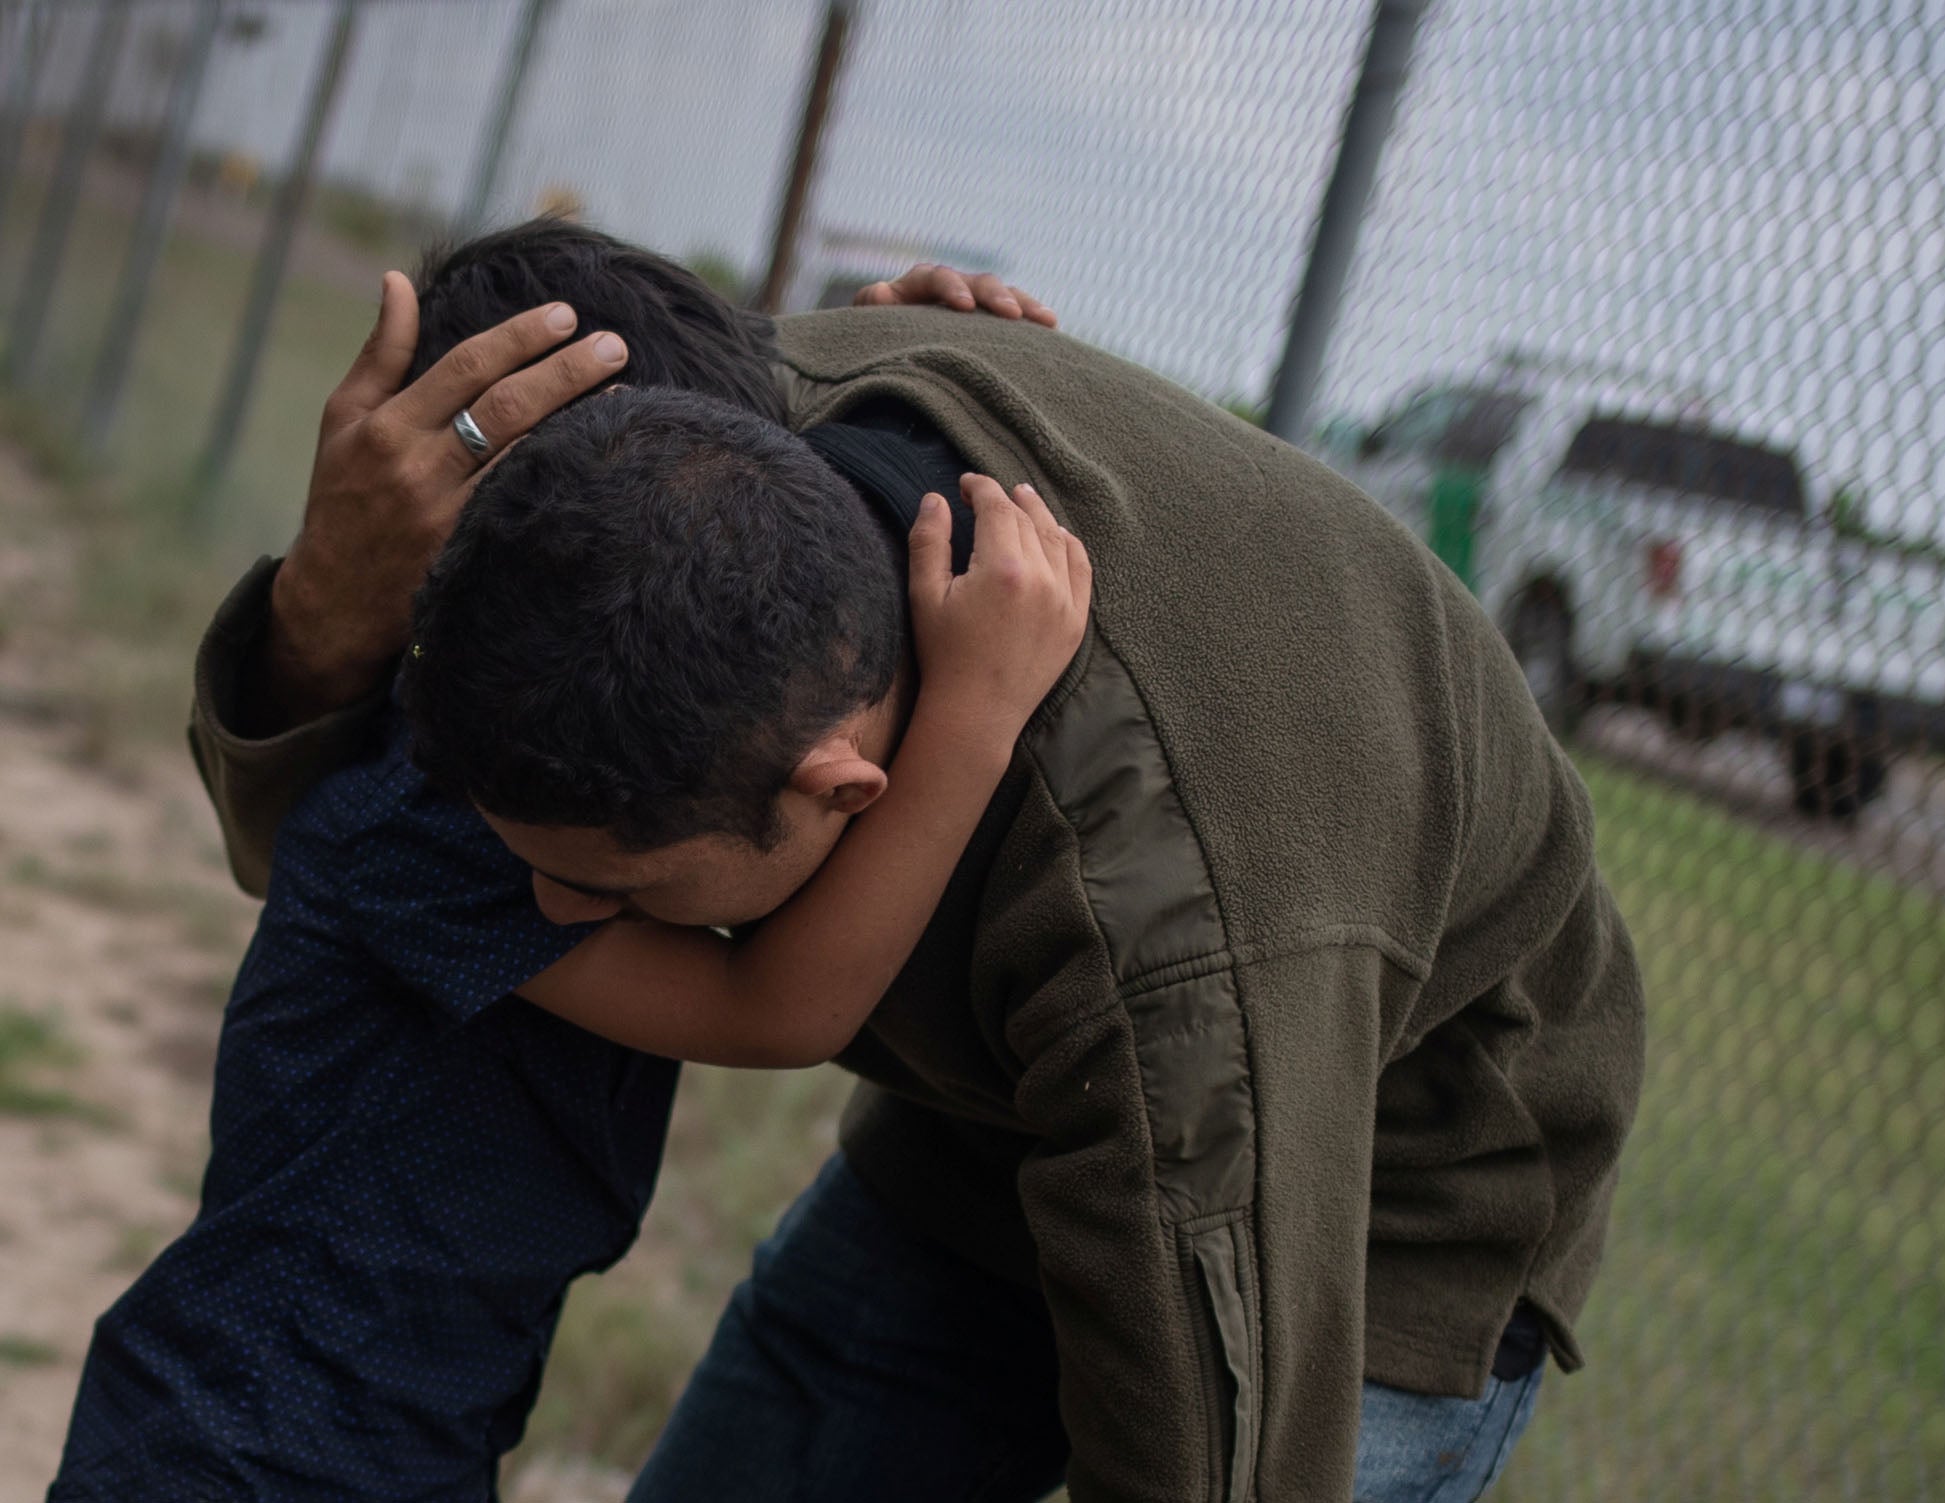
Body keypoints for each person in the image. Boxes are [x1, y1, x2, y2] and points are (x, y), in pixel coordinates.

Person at [186, 222, 1646, 1502]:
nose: (547, 909)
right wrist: (336, 591)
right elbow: (333, 846)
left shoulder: (1159, 912)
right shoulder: (664, 488)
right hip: (1012, 1116)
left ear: (846, 788)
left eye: (626, 895)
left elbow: (1222, 1437)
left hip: (1366, 1193)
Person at [48, 230, 1070, 1501]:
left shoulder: (540, 752)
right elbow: (774, 1007)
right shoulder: (437, 823)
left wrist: (898, 362)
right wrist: (975, 711)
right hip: (258, 1451)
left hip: (368, 1432)